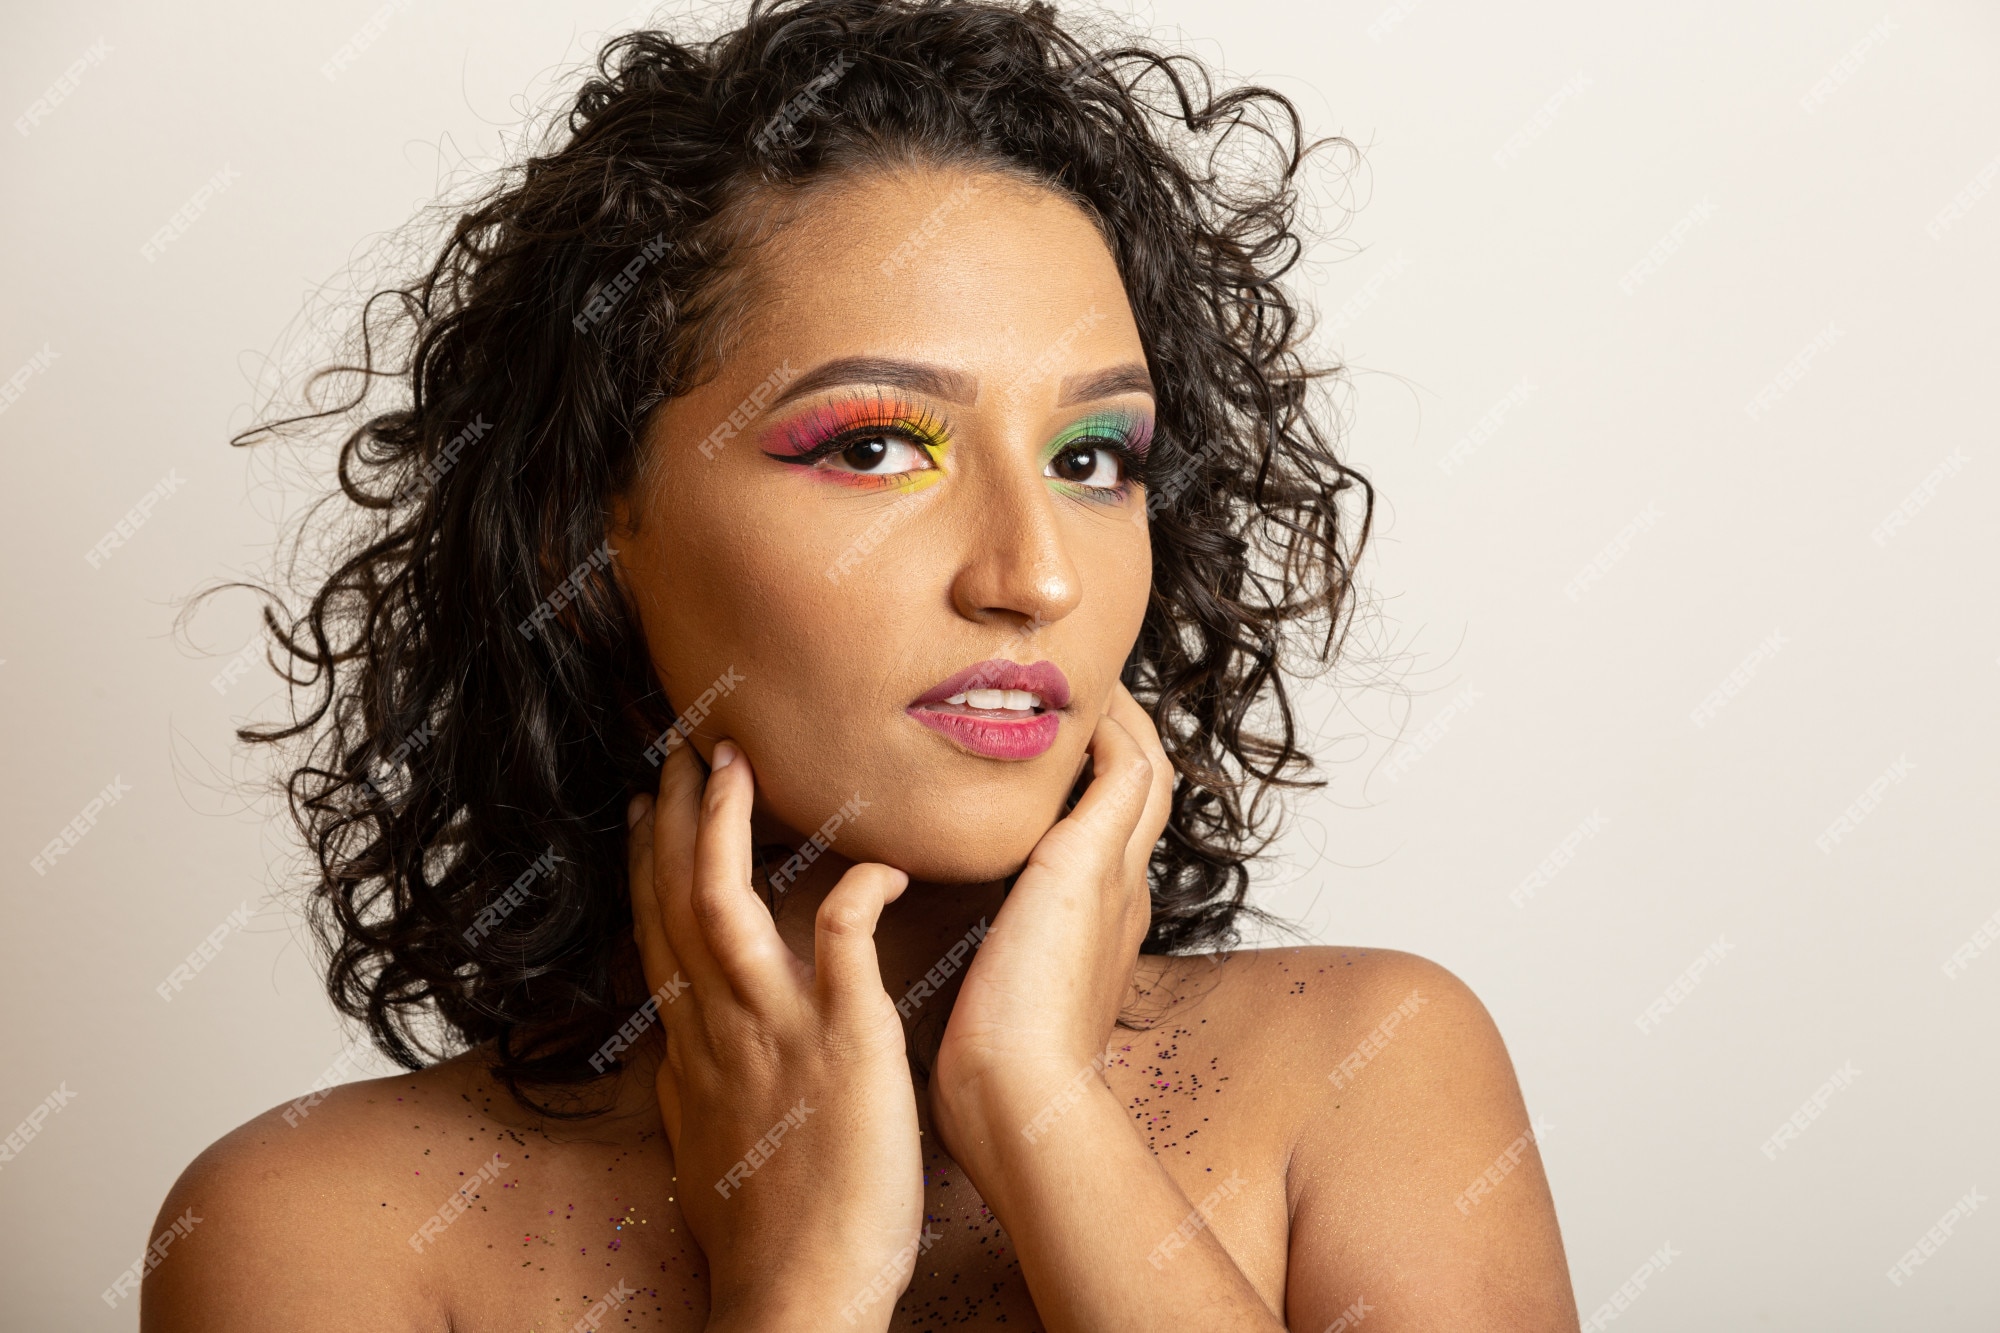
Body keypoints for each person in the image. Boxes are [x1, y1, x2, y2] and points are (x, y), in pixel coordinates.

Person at [148, 2, 1578, 1327]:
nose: (1032, 574)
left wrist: (1040, 1109)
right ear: (585, 530)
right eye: (876, 446)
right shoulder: (325, 1229)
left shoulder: (1366, 1067)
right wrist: (803, 1280)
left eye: (1094, 458)